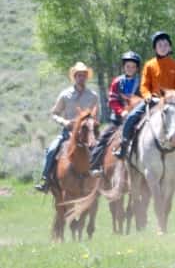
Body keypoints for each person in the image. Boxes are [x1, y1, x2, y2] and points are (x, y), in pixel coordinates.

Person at [118, 32, 175, 161]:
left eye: (166, 44)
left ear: (170, 48)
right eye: (159, 45)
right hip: (153, 100)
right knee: (131, 117)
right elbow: (144, 85)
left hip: (171, 102)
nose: (163, 47)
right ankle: (124, 146)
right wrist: (147, 95)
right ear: (155, 48)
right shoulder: (149, 65)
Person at [35, 62, 99, 192]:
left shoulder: (93, 96)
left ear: (87, 77)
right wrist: (64, 122)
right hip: (68, 132)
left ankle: (103, 178)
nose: (81, 77)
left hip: (87, 132)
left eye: (84, 75)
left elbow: (97, 116)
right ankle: (46, 179)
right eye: (79, 75)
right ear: (74, 77)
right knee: (52, 150)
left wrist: (92, 126)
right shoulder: (65, 94)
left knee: (102, 148)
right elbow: (54, 113)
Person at [89, 51, 142, 175]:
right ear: (124, 67)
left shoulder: (141, 82)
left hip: (137, 118)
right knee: (104, 138)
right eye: (128, 66)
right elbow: (112, 100)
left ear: (137, 68)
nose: (130, 69)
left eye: (133, 66)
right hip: (118, 119)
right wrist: (121, 111)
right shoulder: (117, 82)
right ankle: (94, 165)